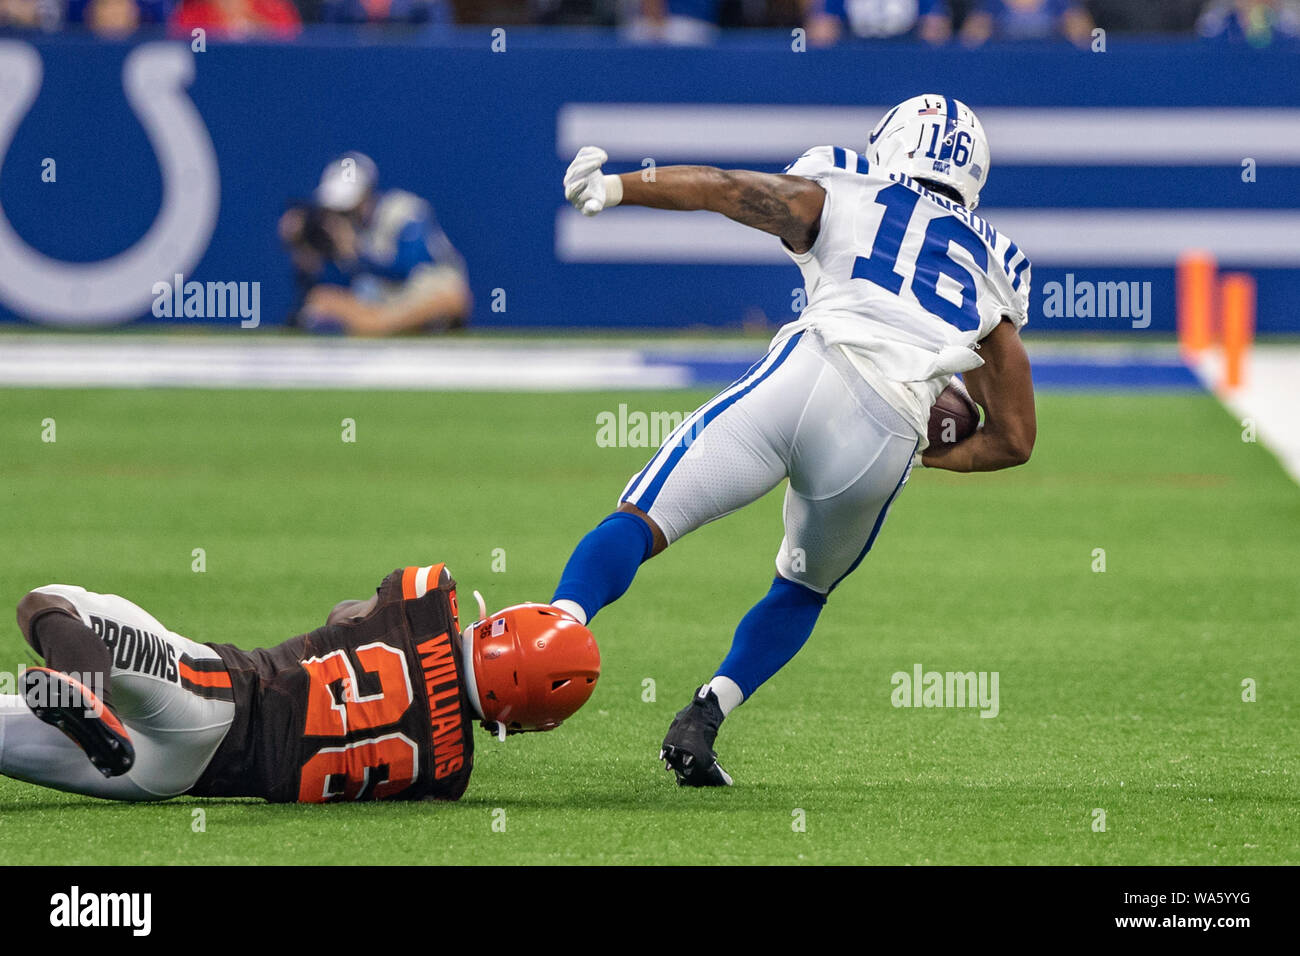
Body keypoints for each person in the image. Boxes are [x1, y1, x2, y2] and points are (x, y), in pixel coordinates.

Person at [555, 94, 1036, 786]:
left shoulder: (844, 182)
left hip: (807, 376)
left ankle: (558, 624)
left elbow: (726, 190)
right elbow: (1015, 438)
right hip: (885, 439)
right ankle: (704, 715)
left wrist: (617, 187)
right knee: (803, 588)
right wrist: (923, 446)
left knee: (642, 518)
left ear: (894, 143)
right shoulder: (994, 259)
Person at [2, 566, 599, 802]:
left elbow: (346, 614)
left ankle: (85, 691)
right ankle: (93, 713)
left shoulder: (425, 598)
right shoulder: (447, 775)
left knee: (53, 604)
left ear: (502, 625)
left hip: (217, 697)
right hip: (173, 778)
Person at [279, 152, 472, 335]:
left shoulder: (403, 210)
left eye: (347, 208)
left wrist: (358, 253)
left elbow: (409, 268)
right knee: (321, 300)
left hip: (420, 292)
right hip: (381, 301)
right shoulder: (338, 232)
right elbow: (332, 287)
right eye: (336, 210)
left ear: (367, 194)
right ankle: (381, 325)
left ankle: (379, 326)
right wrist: (303, 248)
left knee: (448, 296)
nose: (343, 215)